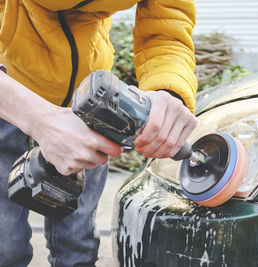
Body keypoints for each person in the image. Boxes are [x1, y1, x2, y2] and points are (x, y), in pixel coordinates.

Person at [0, 0, 198, 266]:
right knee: (6, 245)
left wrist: (169, 90)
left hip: (92, 102)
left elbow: (167, 28)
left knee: (78, 243)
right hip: (10, 89)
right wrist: (37, 117)